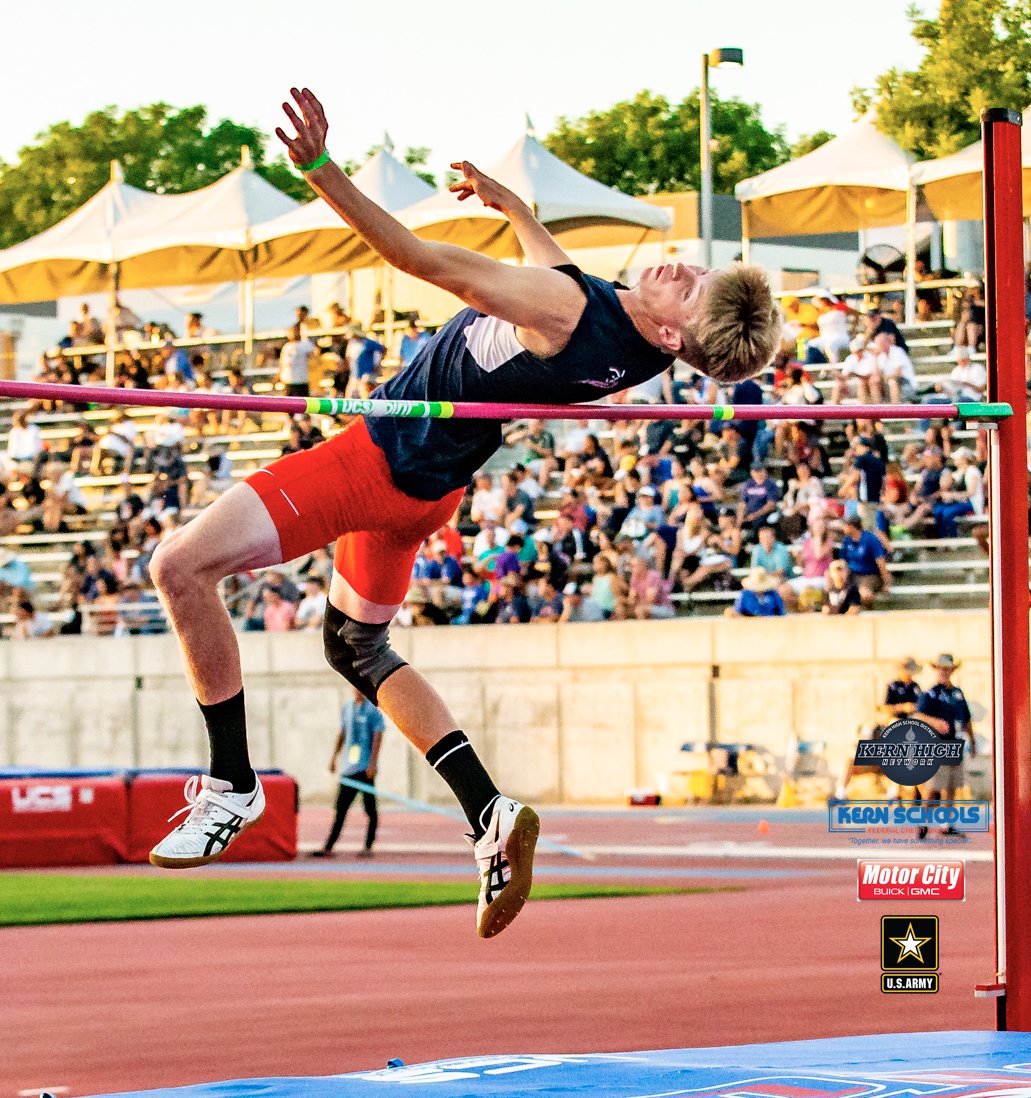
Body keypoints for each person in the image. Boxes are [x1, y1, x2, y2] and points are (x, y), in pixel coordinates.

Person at [145, 87, 779, 940]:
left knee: (178, 568)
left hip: (375, 465)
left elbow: (414, 258)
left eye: (691, 292)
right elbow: (557, 272)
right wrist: (512, 204)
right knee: (354, 644)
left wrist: (320, 170)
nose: (680, 270)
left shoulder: (572, 314)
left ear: (675, 337)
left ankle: (232, 783)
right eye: (698, 273)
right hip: (431, 493)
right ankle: (487, 812)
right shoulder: (620, 339)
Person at [311, 689, 384, 857]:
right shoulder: (347, 708)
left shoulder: (373, 710)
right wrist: (333, 758)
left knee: (370, 809)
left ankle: (368, 846)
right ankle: (329, 846)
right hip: (349, 769)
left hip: (365, 769)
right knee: (341, 808)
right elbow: (341, 733)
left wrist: (372, 763)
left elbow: (378, 735)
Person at [915, 653, 977, 839]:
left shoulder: (957, 693)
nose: (944, 672)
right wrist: (936, 723)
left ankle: (946, 824)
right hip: (938, 745)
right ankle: (923, 823)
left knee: (951, 786)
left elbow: (966, 719)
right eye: (941, 668)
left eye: (947, 668)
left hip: (955, 744)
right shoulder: (931, 693)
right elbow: (919, 715)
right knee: (933, 786)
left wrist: (972, 741)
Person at [279, 324, 314, 397]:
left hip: (301, 381)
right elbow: (282, 364)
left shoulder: (305, 345)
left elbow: (313, 358)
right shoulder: (286, 347)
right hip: (288, 381)